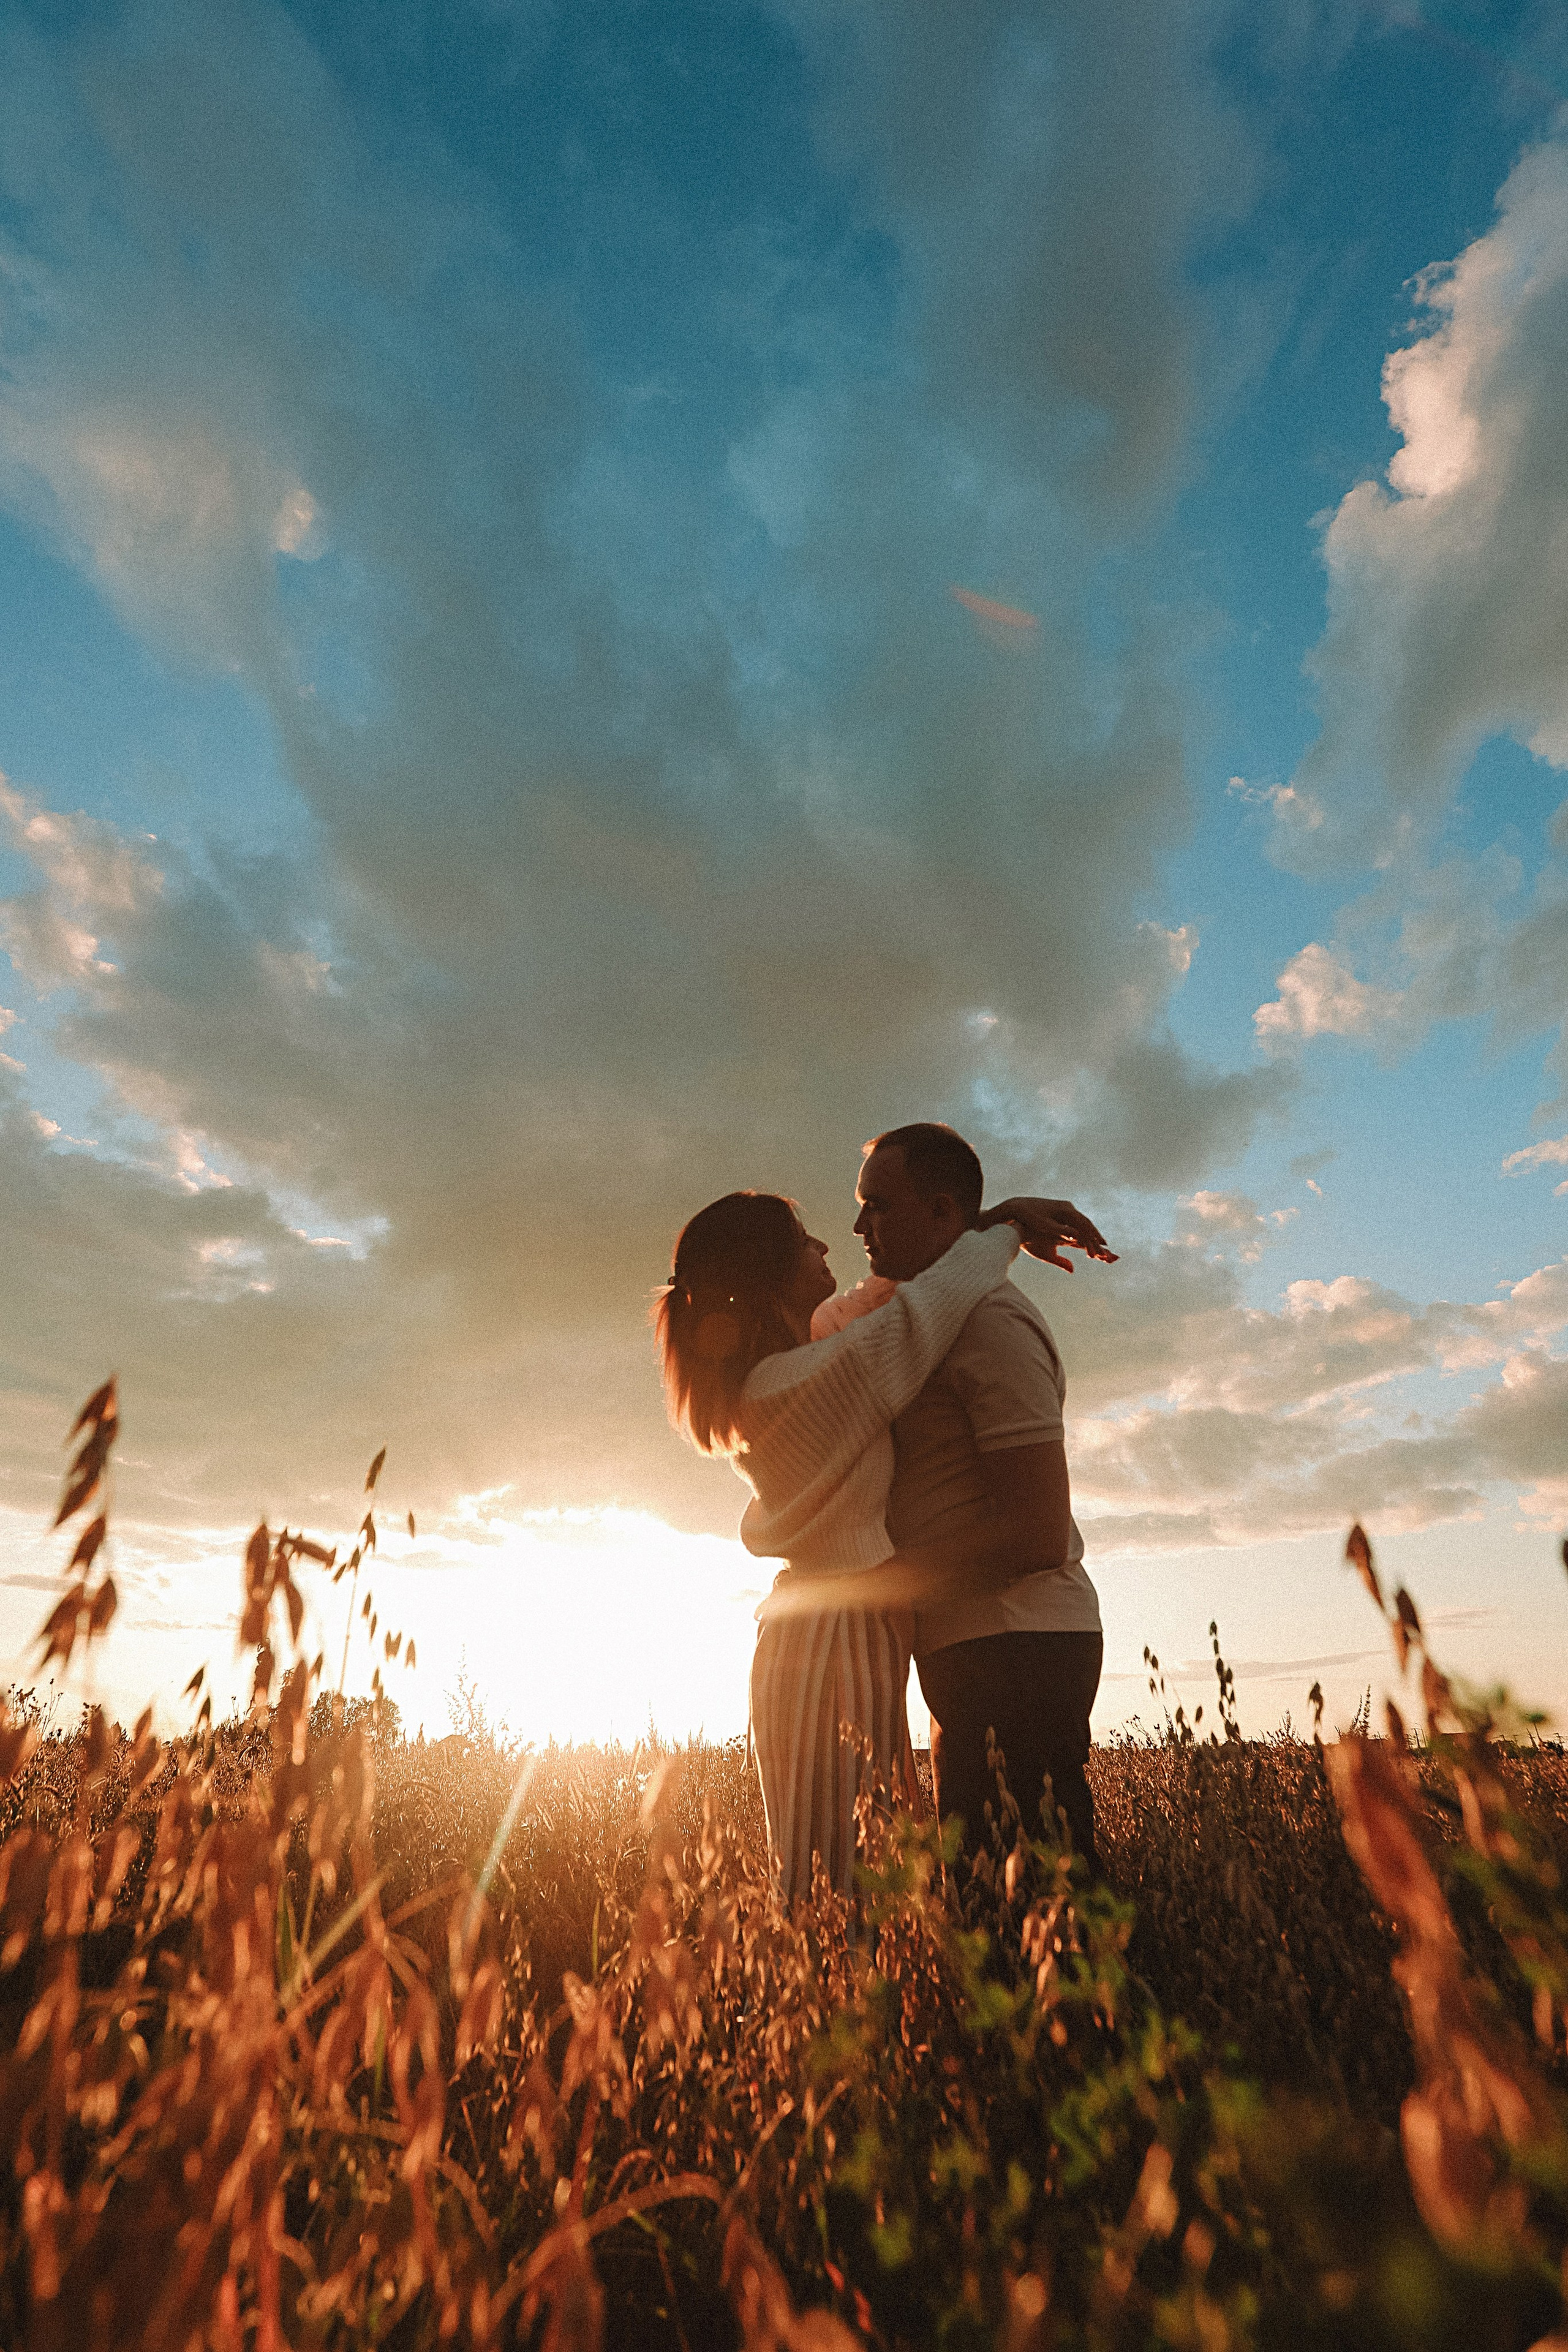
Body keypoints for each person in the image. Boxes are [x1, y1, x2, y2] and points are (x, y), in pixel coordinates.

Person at [654, 1188, 1104, 1901]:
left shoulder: (796, 1369)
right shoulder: (801, 1381)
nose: (826, 1247)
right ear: (770, 1271)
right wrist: (1008, 1227)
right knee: (843, 1882)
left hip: (836, 1630)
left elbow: (896, 1303)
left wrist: (977, 1223)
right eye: (803, 1239)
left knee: (869, 1867)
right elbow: (923, 1316)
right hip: (832, 1636)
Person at [854, 1123, 1111, 1871]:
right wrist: (997, 1222)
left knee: (1031, 1912)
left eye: (878, 1206)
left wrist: (882, 1581)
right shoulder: (936, 1318)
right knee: (985, 1904)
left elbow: (1034, 1532)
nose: (860, 1227)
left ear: (939, 1212)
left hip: (1016, 1647)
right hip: (980, 1644)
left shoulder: (989, 1327)